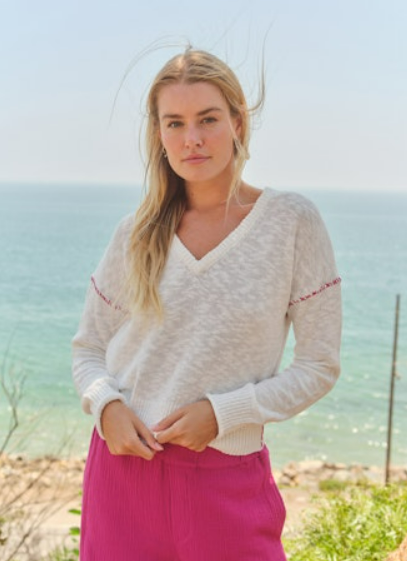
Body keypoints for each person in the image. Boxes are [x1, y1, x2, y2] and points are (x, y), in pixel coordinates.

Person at [72, 48, 342, 561]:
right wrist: (106, 406)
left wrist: (223, 414)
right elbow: (88, 349)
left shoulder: (291, 223)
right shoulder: (134, 234)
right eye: (174, 123)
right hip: (122, 477)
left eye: (208, 119)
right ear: (159, 135)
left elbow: (318, 366)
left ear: (237, 122)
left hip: (227, 483)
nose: (191, 138)